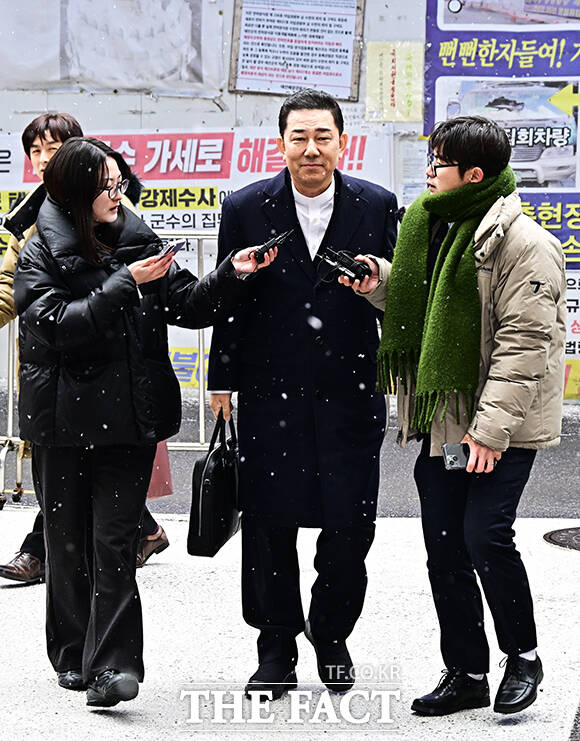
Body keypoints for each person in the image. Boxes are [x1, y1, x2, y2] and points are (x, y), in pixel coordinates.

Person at [13, 137, 276, 707]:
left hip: (128, 419)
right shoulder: (40, 251)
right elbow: (54, 325)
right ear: (75, 192)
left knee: (113, 542)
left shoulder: (138, 237)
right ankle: (72, 652)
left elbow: (188, 304)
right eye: (106, 186)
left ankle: (112, 667)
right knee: (66, 543)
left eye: (120, 182)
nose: (118, 193)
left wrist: (232, 274)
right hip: (61, 422)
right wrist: (123, 283)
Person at [341, 115, 566, 716]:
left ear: (472, 174)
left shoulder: (524, 244)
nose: (428, 172)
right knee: (444, 548)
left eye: (438, 163)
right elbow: (426, 309)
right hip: (443, 419)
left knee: (484, 537)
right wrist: (379, 283)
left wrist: (488, 431)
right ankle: (466, 671)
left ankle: (523, 657)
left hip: (500, 425)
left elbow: (524, 345)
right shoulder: (431, 223)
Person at [208, 88, 398, 698]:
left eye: (323, 137)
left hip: (351, 389)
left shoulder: (377, 205)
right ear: (282, 142)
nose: (311, 149)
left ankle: (332, 633)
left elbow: (396, 300)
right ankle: (276, 648)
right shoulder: (245, 206)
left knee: (351, 525)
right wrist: (221, 378)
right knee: (270, 522)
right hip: (271, 390)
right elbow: (230, 298)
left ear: (343, 141)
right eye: (299, 137)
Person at [0, 114, 166, 586]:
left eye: (54, 148)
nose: (43, 159)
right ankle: (137, 532)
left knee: (83, 488)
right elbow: (15, 289)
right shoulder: (31, 216)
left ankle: (45, 552)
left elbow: (164, 288)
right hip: (57, 370)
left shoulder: (112, 211)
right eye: (35, 151)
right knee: (70, 482)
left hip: (110, 372)